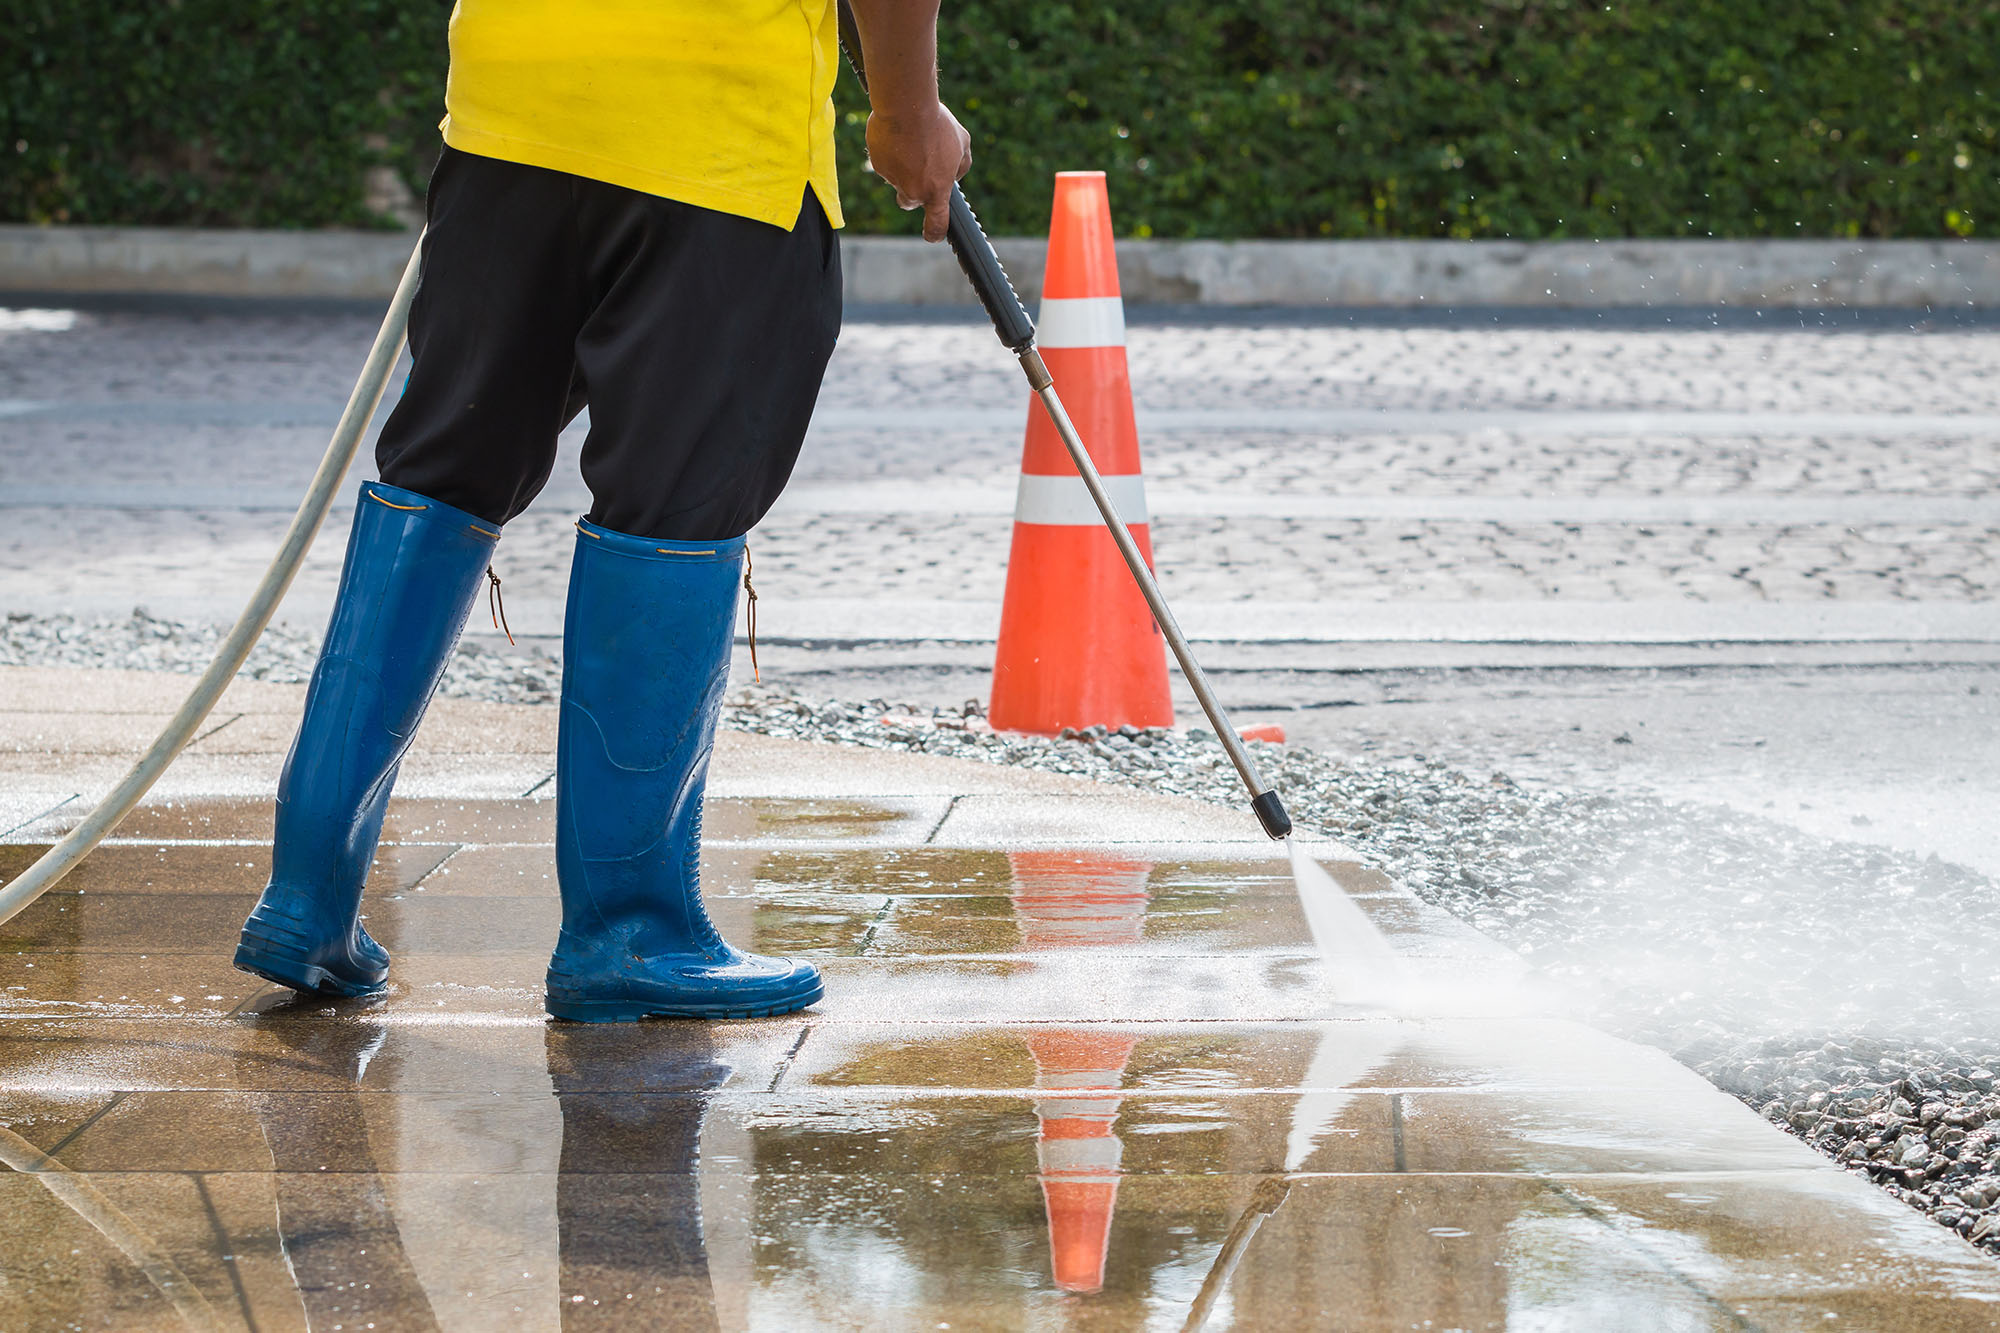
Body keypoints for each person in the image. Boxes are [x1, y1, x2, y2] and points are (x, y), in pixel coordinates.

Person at [232, 0, 970, 1021]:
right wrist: (906, 112)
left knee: (442, 473)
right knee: (675, 503)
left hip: (509, 112)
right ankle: (631, 934)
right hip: (712, 134)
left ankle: (305, 893)